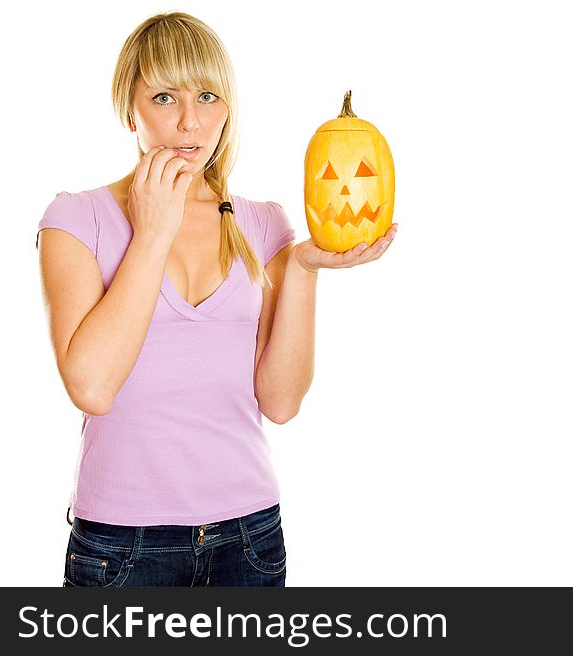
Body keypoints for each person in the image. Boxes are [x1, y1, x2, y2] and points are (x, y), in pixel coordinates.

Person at [34, 11, 397, 587]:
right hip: (121, 550)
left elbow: (279, 403)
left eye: (207, 97)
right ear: (128, 106)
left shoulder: (263, 224)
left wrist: (302, 269)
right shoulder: (76, 220)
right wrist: (154, 231)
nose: (189, 123)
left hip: (249, 539)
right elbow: (91, 386)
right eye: (163, 97)